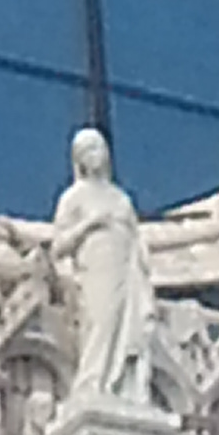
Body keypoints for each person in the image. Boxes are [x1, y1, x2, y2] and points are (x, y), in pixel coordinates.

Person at [51, 127, 155, 406]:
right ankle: (93, 382)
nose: (96, 155)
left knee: (128, 325)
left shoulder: (121, 199)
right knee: (100, 322)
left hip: (126, 269)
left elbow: (136, 237)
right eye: (88, 150)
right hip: (96, 271)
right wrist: (91, 223)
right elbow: (58, 246)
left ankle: (124, 385)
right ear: (79, 160)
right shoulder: (73, 197)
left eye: (99, 148)